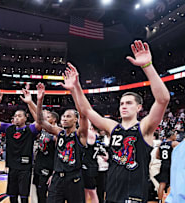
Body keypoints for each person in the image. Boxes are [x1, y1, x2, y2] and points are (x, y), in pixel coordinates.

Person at [60, 40, 170, 202]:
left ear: (139, 107)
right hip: (112, 194)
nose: (124, 106)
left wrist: (148, 66)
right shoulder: (113, 128)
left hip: (134, 196)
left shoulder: (144, 127)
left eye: (129, 103)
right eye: (121, 103)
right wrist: (76, 87)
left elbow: (163, 99)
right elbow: (87, 110)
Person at [36, 82, 88, 203]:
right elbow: (40, 121)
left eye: (68, 116)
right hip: (57, 178)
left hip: (74, 179)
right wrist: (40, 100)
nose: (64, 118)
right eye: (63, 116)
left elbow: (84, 115)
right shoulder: (59, 132)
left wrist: (73, 91)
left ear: (76, 119)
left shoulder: (80, 134)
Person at [0, 90, 41, 203]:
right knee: (12, 197)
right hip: (12, 168)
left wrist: (30, 102)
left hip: (25, 169)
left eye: (19, 116)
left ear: (26, 118)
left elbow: (41, 121)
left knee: (24, 198)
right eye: (15, 116)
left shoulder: (30, 129)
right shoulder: (8, 128)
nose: (16, 118)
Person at [155, 130, 179, 201]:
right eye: (175, 135)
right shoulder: (174, 143)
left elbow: (157, 156)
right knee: (172, 182)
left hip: (163, 164)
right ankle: (170, 200)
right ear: (171, 136)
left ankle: (159, 200)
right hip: (171, 164)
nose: (176, 136)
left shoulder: (161, 144)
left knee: (162, 184)